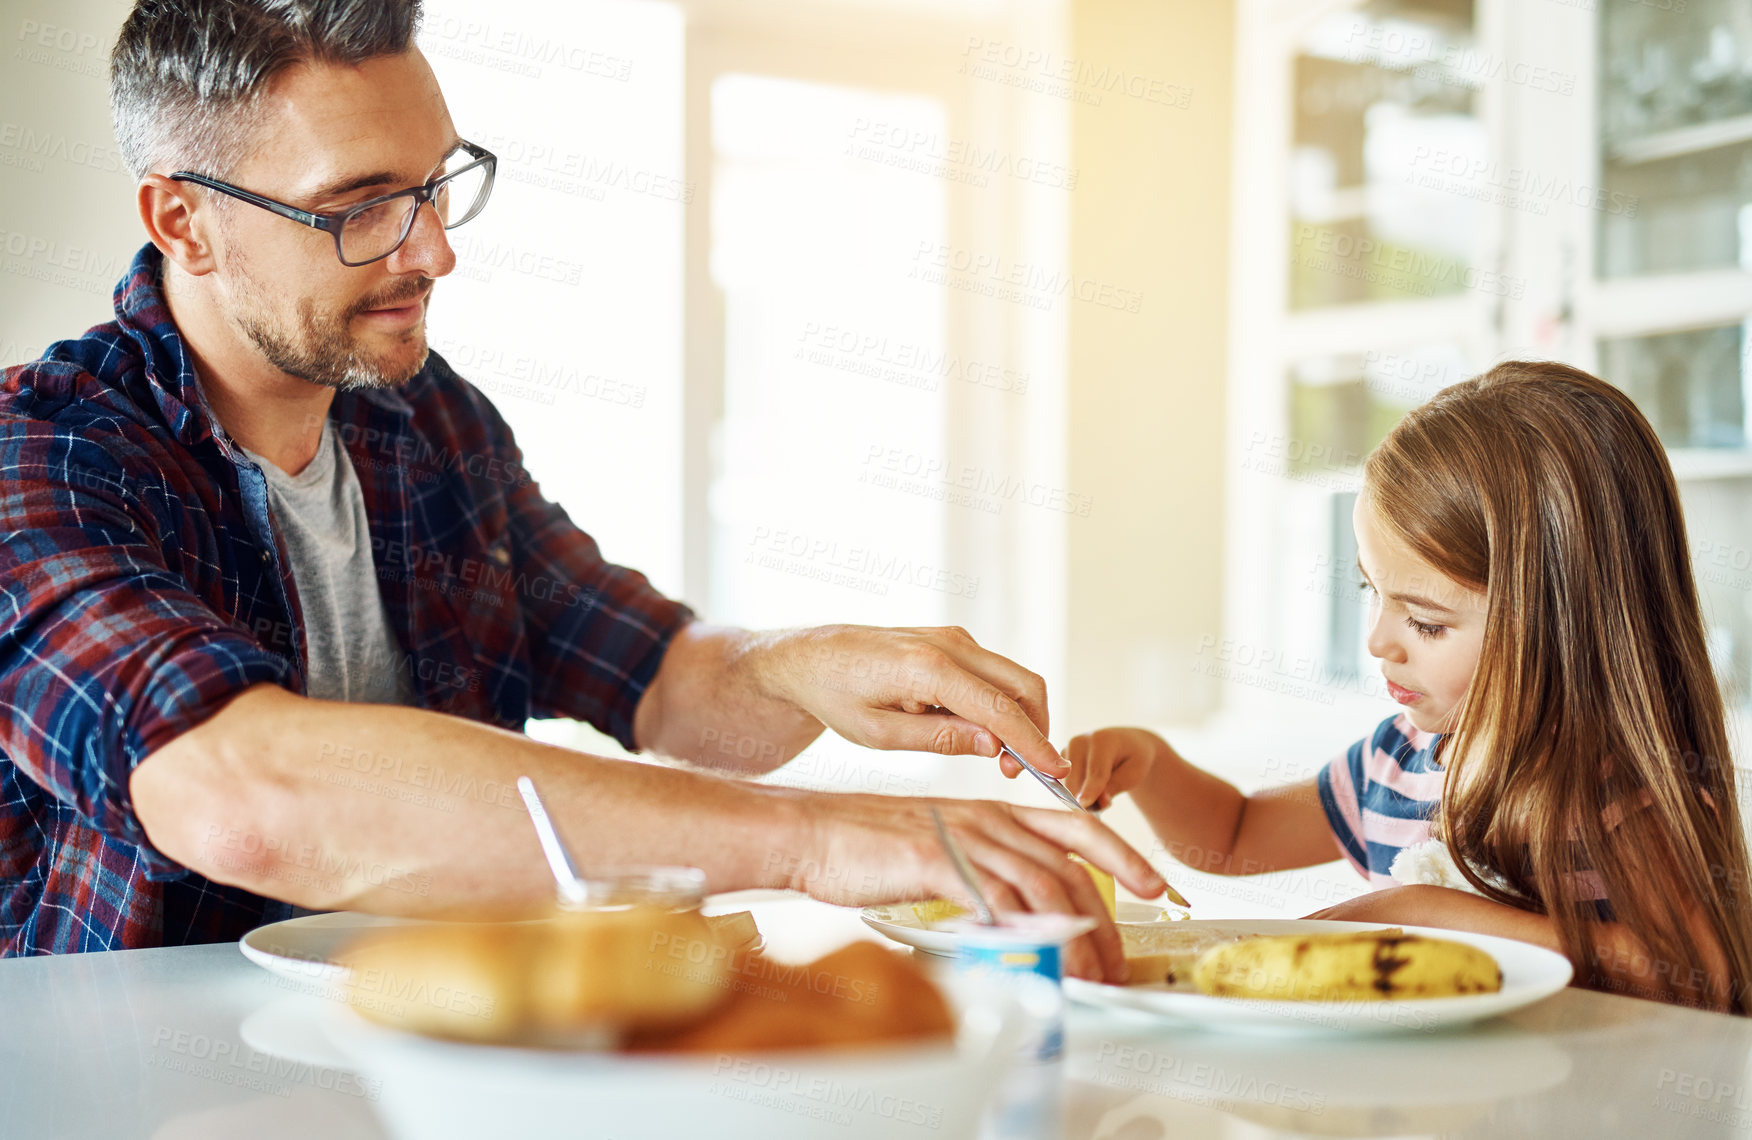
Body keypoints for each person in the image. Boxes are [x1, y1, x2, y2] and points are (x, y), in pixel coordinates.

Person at [0, 0, 1166, 978]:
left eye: (435, 185)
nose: (432, 252)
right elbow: (236, 792)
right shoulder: (41, 456)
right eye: (359, 205)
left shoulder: (426, 421)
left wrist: (807, 662)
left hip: (444, 1060)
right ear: (181, 221)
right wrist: (815, 840)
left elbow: (658, 675)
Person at [1064, 361, 1752, 1012]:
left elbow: (1697, 976)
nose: (1378, 642)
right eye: (1372, 591)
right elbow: (1234, 832)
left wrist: (1421, 914)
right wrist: (1152, 766)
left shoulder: (1614, 794)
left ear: (1560, 624)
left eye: (1424, 622)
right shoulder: (1397, 763)